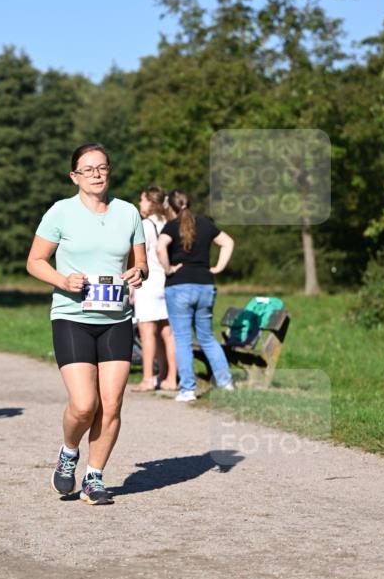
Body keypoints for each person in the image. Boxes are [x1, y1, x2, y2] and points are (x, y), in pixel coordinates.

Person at [26, 143, 147, 505]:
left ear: (109, 171)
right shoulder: (61, 212)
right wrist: (63, 281)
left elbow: (141, 264)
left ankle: (94, 477)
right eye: (88, 169)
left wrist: (138, 274)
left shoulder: (128, 213)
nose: (96, 174)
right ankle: (68, 452)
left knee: (111, 405)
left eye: (102, 168)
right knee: (84, 404)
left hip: (116, 319)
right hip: (72, 316)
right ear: (74, 176)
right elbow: (35, 261)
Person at [156, 190, 235, 402]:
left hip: (178, 286)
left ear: (170, 207)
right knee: (207, 337)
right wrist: (218, 267)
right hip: (205, 286)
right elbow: (228, 242)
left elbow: (159, 247)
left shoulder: (171, 226)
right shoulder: (205, 224)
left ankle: (188, 390)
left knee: (182, 339)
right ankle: (226, 383)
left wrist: (168, 269)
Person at [131, 186, 178, 392]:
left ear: (150, 202)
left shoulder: (145, 225)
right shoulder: (171, 223)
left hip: (148, 285)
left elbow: (137, 257)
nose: (140, 204)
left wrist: (132, 286)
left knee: (147, 332)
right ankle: (171, 378)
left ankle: (148, 379)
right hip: (168, 283)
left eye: (142, 200)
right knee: (168, 333)